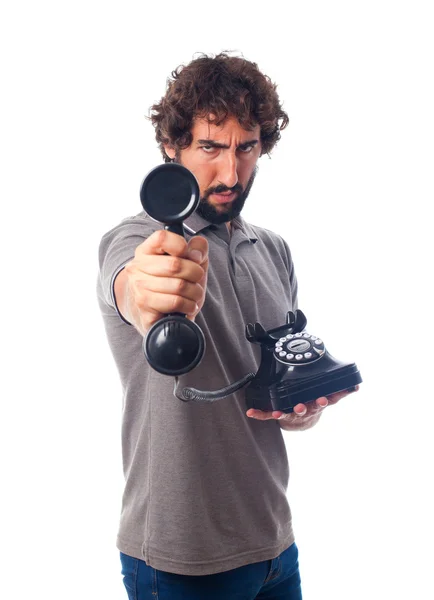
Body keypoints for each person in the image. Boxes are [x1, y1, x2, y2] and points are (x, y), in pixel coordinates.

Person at [97, 52, 358, 600]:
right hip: (181, 559)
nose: (230, 172)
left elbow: (271, 384)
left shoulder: (274, 249)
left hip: (273, 544)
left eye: (246, 147)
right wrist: (149, 291)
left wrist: (298, 410)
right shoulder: (135, 240)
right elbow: (132, 285)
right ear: (172, 148)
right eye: (210, 147)